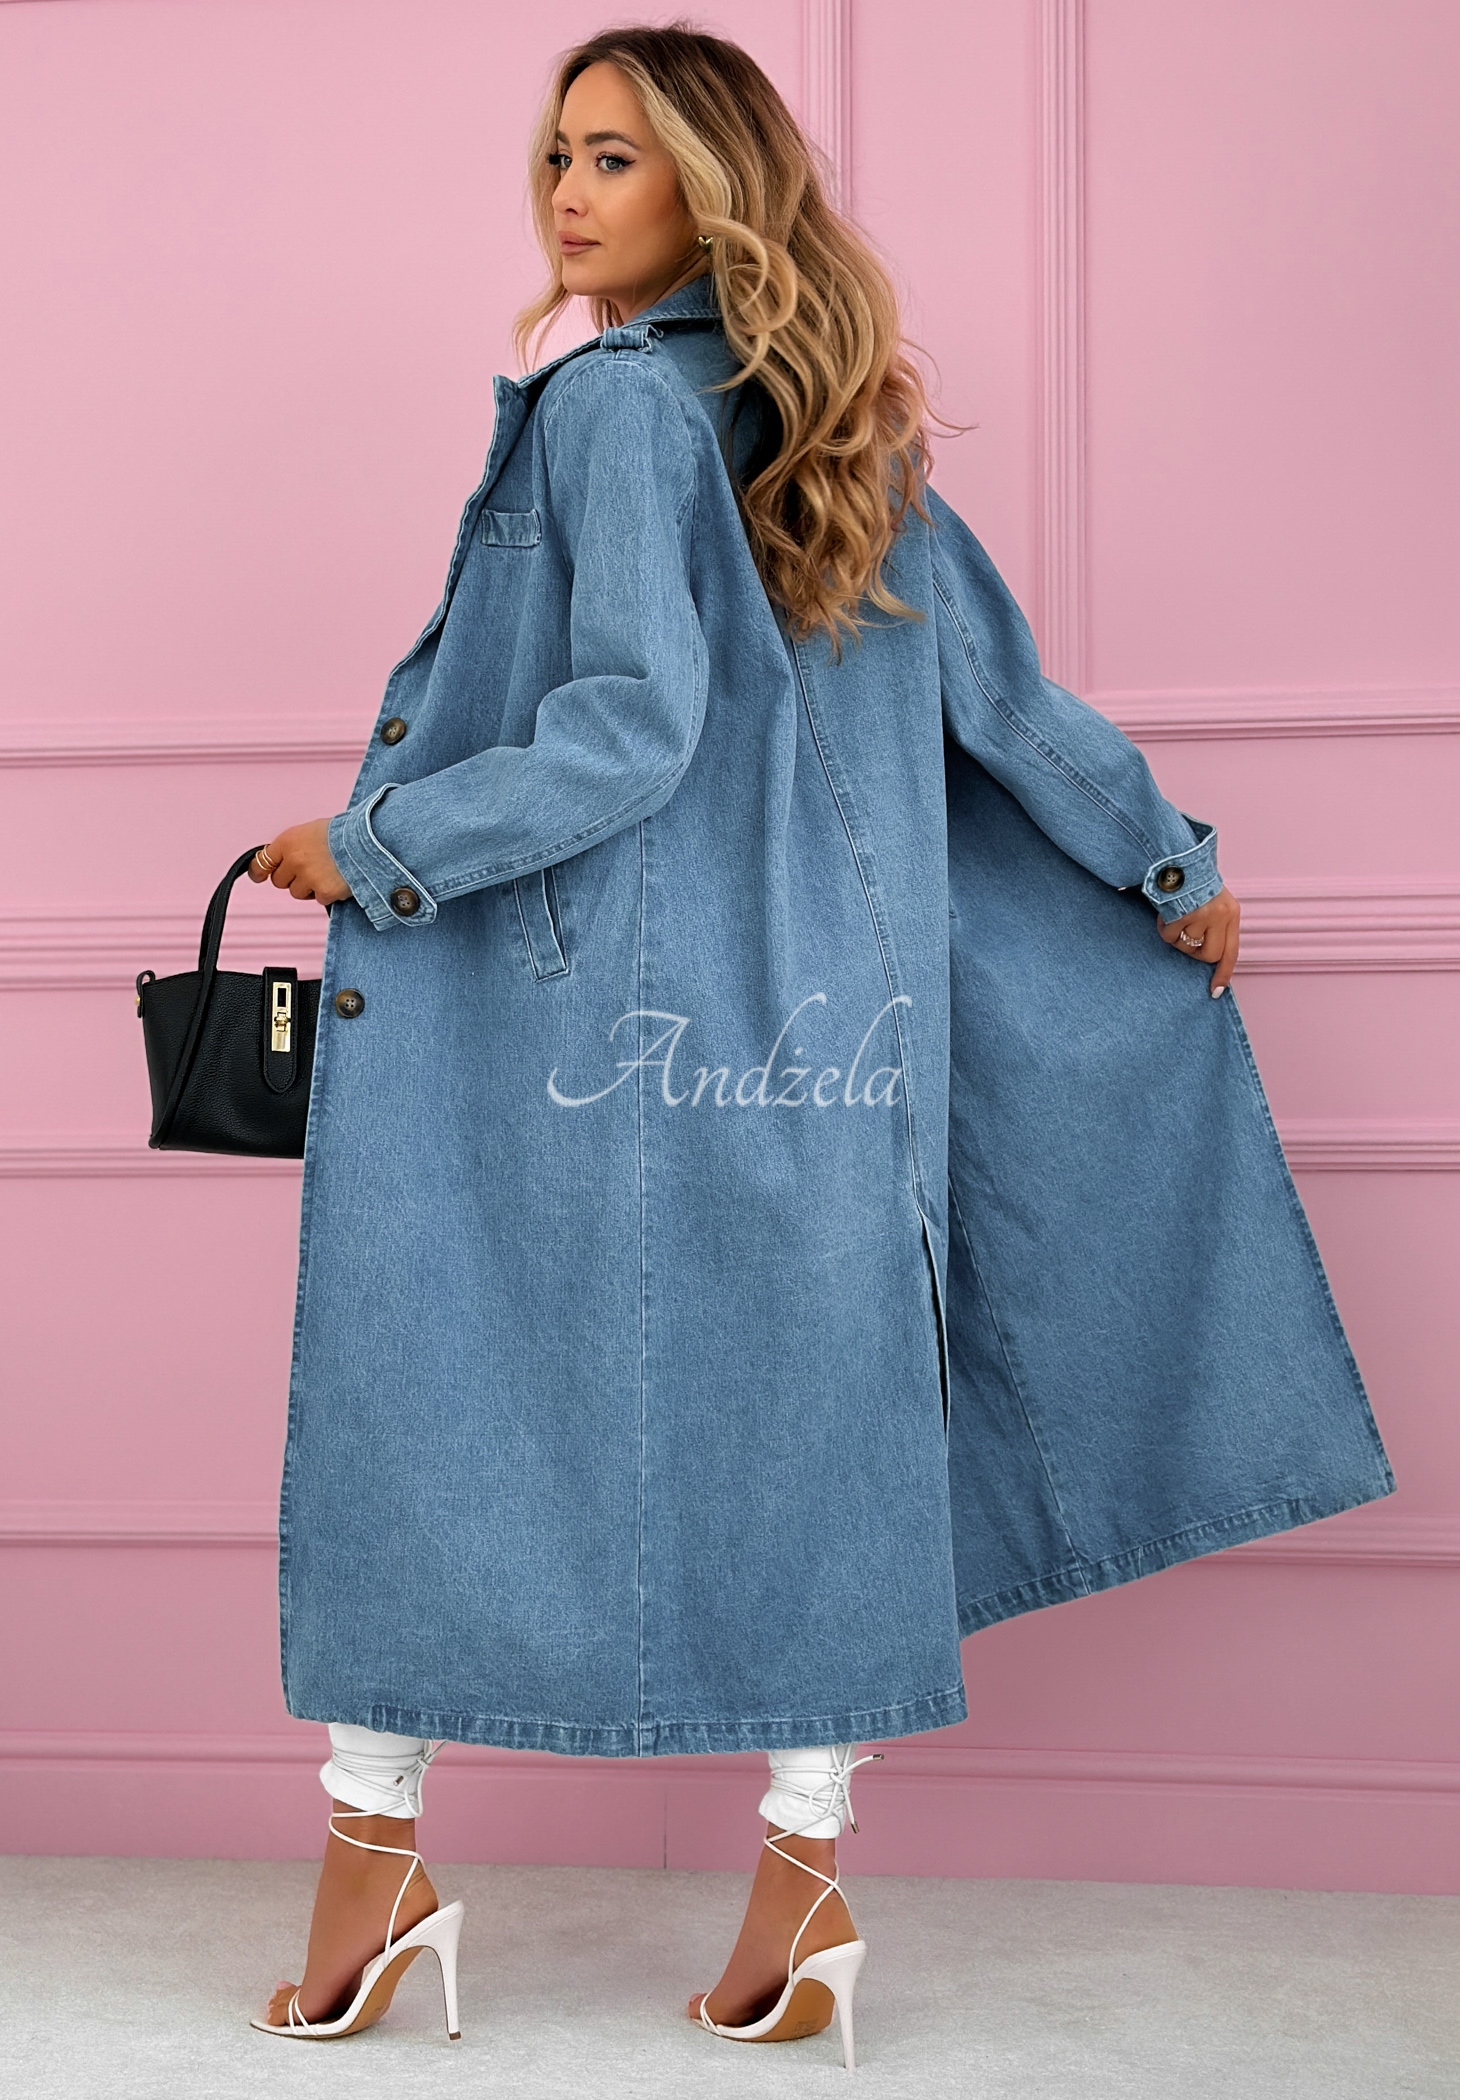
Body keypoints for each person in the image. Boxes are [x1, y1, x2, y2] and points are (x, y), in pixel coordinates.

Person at [245, 24, 1392, 2062]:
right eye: (558, 153)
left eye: (615, 155)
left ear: (714, 184)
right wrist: (1163, 861)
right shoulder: (834, 418)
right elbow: (1001, 704)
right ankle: (799, 1896)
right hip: (827, 1017)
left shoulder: (609, 402)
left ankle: (372, 1861)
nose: (567, 191)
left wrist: (384, 847)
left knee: (429, 1385)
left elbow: (625, 728)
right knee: (819, 1427)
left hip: (577, 1012)